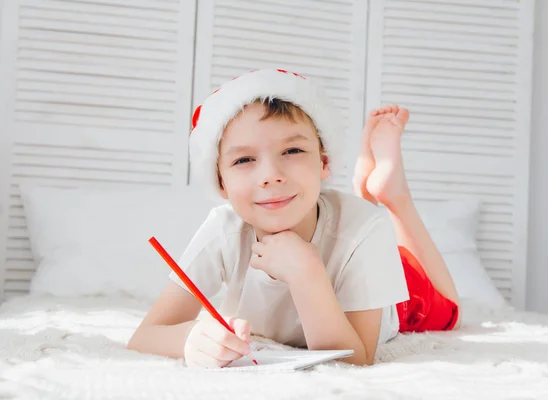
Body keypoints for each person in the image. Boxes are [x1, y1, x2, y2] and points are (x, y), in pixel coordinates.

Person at [127, 69, 461, 368]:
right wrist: (191, 340)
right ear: (221, 183)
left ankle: (395, 197)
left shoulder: (365, 230)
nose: (270, 176)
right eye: (244, 160)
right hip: (351, 239)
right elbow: (145, 336)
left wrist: (306, 272)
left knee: (450, 308)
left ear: (324, 162)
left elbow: (354, 359)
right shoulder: (223, 229)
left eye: (292, 151)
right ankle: (366, 188)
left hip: (378, 285)